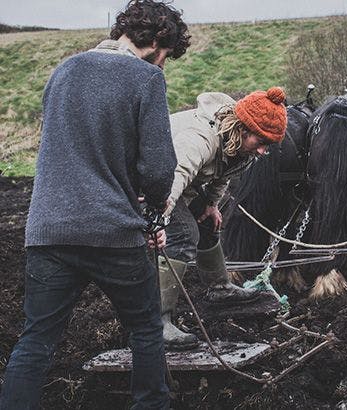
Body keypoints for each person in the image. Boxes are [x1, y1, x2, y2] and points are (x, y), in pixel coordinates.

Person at [0, 1, 190, 409]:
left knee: (35, 340)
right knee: (144, 329)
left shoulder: (63, 70)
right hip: (113, 233)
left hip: (47, 231)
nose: (163, 65)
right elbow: (159, 168)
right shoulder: (146, 79)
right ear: (158, 41)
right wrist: (155, 214)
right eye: (166, 57)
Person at [159, 87, 287, 350]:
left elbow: (224, 172)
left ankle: (219, 288)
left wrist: (211, 204)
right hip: (150, 183)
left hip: (176, 184)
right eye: (261, 142)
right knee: (184, 234)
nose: (263, 151)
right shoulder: (201, 137)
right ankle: (156, 321)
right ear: (242, 129)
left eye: (268, 146)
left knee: (208, 223)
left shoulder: (239, 145)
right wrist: (159, 219)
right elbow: (176, 174)